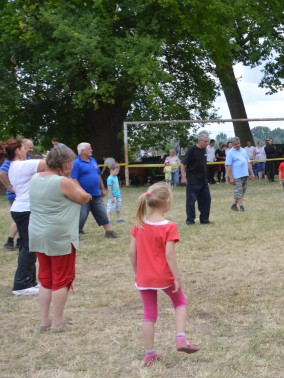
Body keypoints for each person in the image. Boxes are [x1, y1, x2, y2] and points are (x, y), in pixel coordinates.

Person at [128, 183, 200, 366]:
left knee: (149, 314)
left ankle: (149, 353)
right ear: (167, 202)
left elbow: (131, 252)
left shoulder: (139, 225)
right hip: (164, 276)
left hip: (144, 277)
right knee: (180, 302)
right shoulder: (169, 227)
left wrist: (137, 272)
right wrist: (177, 277)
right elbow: (169, 255)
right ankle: (181, 338)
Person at [29, 144, 91, 331]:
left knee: (45, 279)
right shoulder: (63, 182)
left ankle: (44, 321)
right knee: (61, 280)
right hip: (59, 237)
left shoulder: (35, 178)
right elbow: (84, 198)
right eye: (70, 162)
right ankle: (57, 323)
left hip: (38, 233)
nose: (72, 166)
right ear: (64, 164)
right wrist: (74, 182)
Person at [7, 139, 45, 296]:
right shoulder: (23, 165)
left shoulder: (14, 166)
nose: (27, 151)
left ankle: (30, 281)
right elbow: (50, 164)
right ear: (18, 151)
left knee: (28, 246)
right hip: (25, 210)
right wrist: (49, 156)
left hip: (21, 209)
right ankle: (21, 284)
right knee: (29, 247)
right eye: (24, 148)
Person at [71, 142, 118, 238]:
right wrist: (82, 192)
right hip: (83, 196)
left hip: (96, 193)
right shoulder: (76, 163)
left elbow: (98, 175)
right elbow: (74, 179)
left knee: (102, 212)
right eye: (89, 148)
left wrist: (102, 188)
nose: (91, 150)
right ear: (82, 151)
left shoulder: (93, 160)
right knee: (82, 215)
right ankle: (75, 234)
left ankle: (108, 232)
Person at [180, 134, 212, 226]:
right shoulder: (192, 150)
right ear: (200, 141)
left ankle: (204, 220)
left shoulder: (204, 150)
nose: (207, 143)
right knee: (191, 201)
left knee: (206, 200)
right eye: (205, 141)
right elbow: (183, 163)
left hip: (203, 181)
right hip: (193, 180)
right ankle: (190, 220)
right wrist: (183, 177)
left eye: (207, 141)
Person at [224, 137, 254, 213]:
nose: (238, 145)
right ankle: (241, 207)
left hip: (245, 174)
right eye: (236, 144)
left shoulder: (243, 150)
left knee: (242, 191)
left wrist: (252, 173)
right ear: (232, 144)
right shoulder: (230, 153)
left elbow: (248, 162)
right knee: (239, 191)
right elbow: (228, 166)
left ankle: (234, 205)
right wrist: (231, 178)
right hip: (236, 176)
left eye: (239, 143)